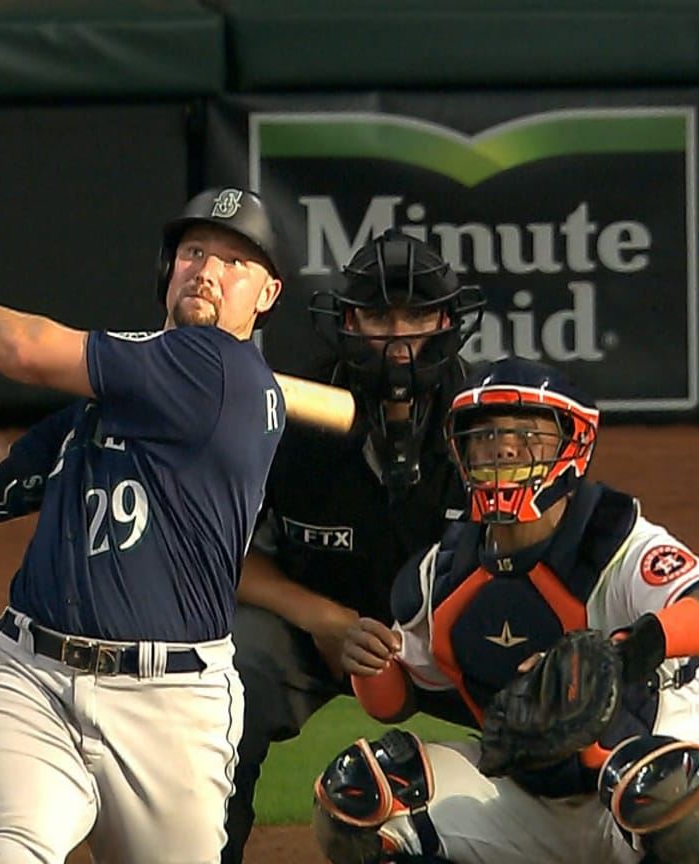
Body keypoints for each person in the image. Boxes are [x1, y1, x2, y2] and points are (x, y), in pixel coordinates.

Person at [0, 187, 287, 864]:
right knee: (4, 854)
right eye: (195, 251)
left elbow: (24, 350)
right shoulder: (127, 390)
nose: (207, 269)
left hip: (170, 707)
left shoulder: (221, 371)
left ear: (267, 295)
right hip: (30, 679)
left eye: (236, 261)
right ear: (168, 268)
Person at [311, 357, 699, 864]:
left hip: (680, 760)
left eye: (527, 432)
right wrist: (370, 664)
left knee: (671, 798)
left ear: (571, 446)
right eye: (485, 434)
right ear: (461, 449)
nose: (504, 446)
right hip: (534, 797)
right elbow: (398, 700)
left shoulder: (614, 541)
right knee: (361, 799)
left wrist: (625, 652)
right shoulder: (442, 572)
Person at [221, 229, 485, 863]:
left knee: (546, 711)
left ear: (448, 321)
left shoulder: (485, 421)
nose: (399, 337)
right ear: (345, 321)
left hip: (450, 635)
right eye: (378, 315)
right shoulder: (284, 414)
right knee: (223, 687)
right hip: (314, 625)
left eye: (418, 315)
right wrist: (325, 620)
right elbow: (221, 555)